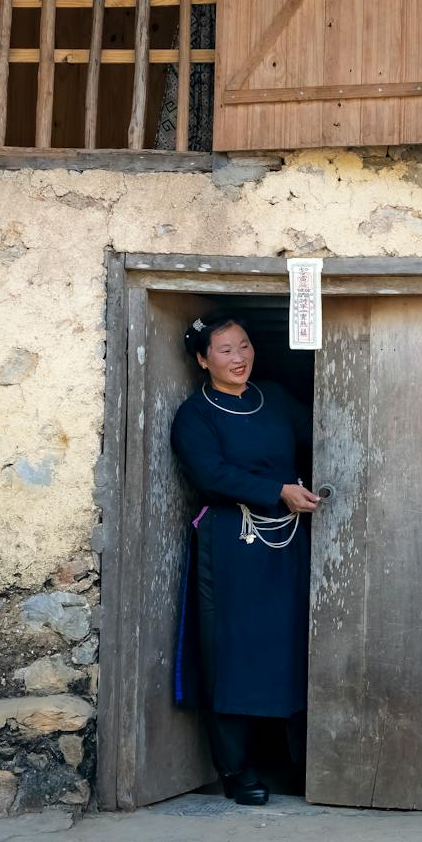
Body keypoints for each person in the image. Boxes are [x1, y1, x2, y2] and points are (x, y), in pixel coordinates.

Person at [169, 311, 321, 805]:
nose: (239, 358)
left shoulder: (274, 398)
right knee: (232, 651)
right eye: (225, 350)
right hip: (232, 542)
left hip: (287, 538)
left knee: (291, 643)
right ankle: (237, 770)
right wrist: (277, 490)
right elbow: (210, 473)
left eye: (245, 345)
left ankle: (304, 765)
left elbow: (322, 432)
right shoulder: (196, 415)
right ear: (202, 359)